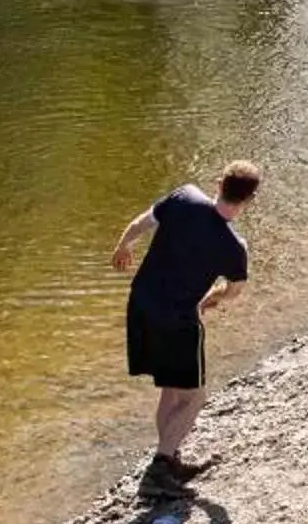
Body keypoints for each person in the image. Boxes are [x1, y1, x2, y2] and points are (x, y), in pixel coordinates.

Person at [112, 161, 261, 494]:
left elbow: (141, 223)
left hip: (141, 305)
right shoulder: (235, 247)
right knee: (194, 397)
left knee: (171, 387)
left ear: (219, 182)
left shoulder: (184, 197)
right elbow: (234, 291)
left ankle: (170, 459)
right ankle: (159, 469)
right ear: (249, 201)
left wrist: (123, 246)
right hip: (178, 320)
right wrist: (209, 300)